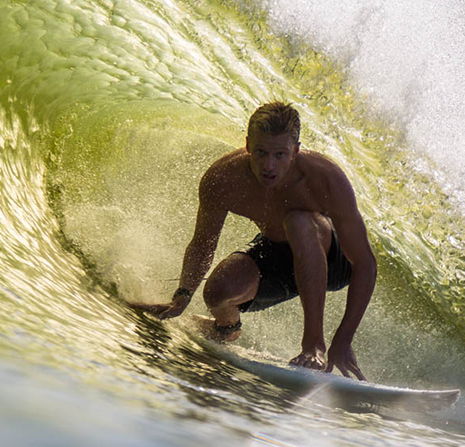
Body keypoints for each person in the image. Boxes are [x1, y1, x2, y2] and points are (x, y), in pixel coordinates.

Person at [134, 101, 377, 379]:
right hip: (278, 253)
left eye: (280, 154)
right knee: (218, 291)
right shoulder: (223, 178)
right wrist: (181, 297)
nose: (269, 165)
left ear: (295, 151)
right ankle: (225, 329)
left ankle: (314, 345)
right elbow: (203, 242)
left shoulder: (325, 179)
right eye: (261, 152)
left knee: (298, 222)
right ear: (248, 145)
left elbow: (365, 264)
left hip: (332, 259)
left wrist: (343, 340)